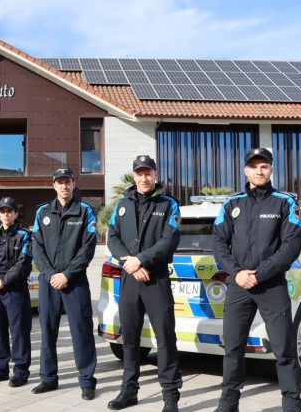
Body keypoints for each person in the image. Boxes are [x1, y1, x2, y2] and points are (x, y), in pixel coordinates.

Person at [212, 148, 301, 412]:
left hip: (272, 284)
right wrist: (237, 273)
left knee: (284, 349)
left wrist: (261, 273)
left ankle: (291, 404)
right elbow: (218, 242)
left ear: (271, 170)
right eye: (254, 166)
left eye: (264, 166)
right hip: (239, 284)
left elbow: (290, 246)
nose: (259, 171)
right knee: (232, 347)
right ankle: (228, 403)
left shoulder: (285, 202)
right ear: (245, 170)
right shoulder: (232, 203)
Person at [106, 155, 182, 412]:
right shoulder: (122, 204)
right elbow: (112, 237)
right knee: (129, 339)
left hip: (156, 279)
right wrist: (129, 262)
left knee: (165, 338)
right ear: (134, 175)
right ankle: (129, 391)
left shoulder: (168, 204)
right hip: (129, 279)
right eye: (139, 172)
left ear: (156, 174)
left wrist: (140, 260)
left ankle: (170, 395)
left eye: (148, 172)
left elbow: (169, 240)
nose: (144, 177)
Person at [31, 168, 98, 400]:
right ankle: (48, 378)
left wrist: (67, 274)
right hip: (49, 282)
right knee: (47, 331)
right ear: (54, 185)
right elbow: (36, 247)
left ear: (73, 183)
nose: (63, 186)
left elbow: (87, 248)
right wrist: (50, 274)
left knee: (81, 331)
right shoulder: (42, 212)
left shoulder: (85, 211)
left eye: (67, 182)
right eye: (59, 182)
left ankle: (87, 380)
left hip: (75, 281)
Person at [0, 197, 33, 387]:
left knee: (19, 331)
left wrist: (3, 282)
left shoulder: (24, 235)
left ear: (16, 214)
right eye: (2, 211)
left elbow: (23, 264)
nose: (6, 214)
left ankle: (20, 371)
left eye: (10, 211)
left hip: (14, 288)